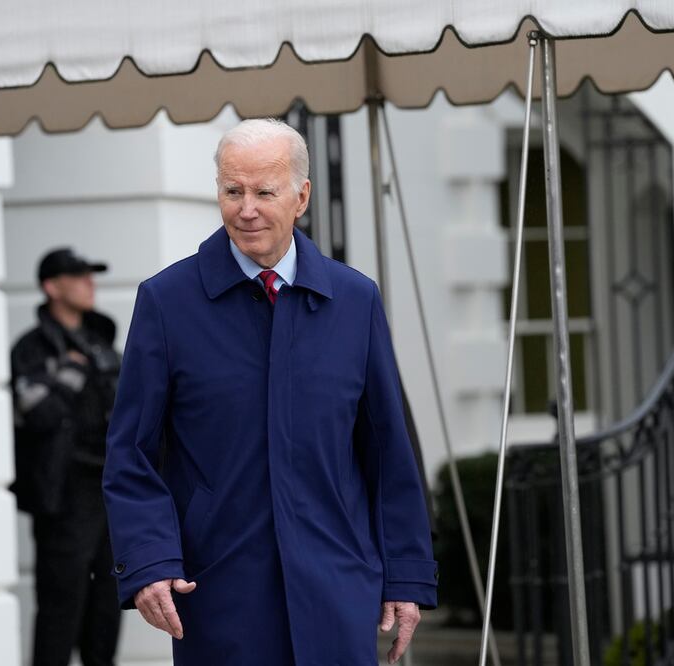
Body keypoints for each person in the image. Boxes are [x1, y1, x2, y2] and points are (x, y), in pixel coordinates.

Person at [103, 118, 437, 666]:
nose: (246, 208)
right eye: (232, 191)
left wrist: (406, 574)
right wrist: (149, 564)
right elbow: (130, 454)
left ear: (301, 196)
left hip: (338, 589)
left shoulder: (355, 301)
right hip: (220, 593)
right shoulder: (167, 303)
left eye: (264, 191)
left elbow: (387, 453)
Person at [10, 248, 123, 666]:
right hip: (64, 495)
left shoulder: (101, 343)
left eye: (90, 275)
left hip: (109, 492)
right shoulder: (33, 347)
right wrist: (68, 376)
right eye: (78, 276)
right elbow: (36, 413)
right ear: (51, 287)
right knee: (62, 607)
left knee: (107, 609)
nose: (89, 283)